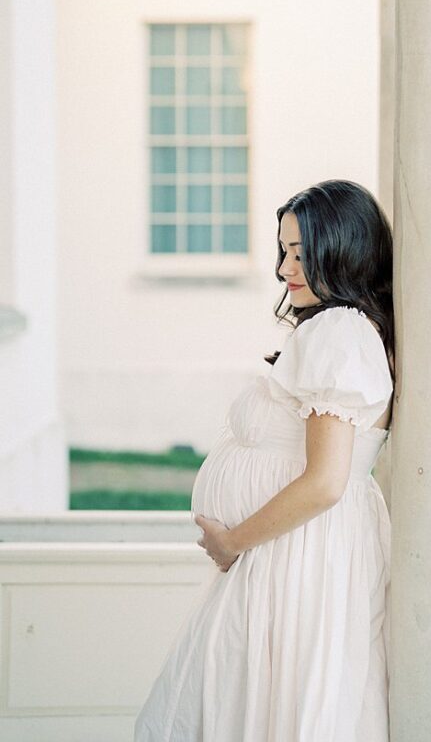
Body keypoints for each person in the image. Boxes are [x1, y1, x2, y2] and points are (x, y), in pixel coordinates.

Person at [134, 179, 395, 742]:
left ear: (346, 248)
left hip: (299, 553)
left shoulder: (341, 332)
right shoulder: (337, 331)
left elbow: (325, 482)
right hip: (288, 553)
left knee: (276, 709)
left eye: (302, 253)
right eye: (284, 251)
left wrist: (232, 541)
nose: (285, 269)